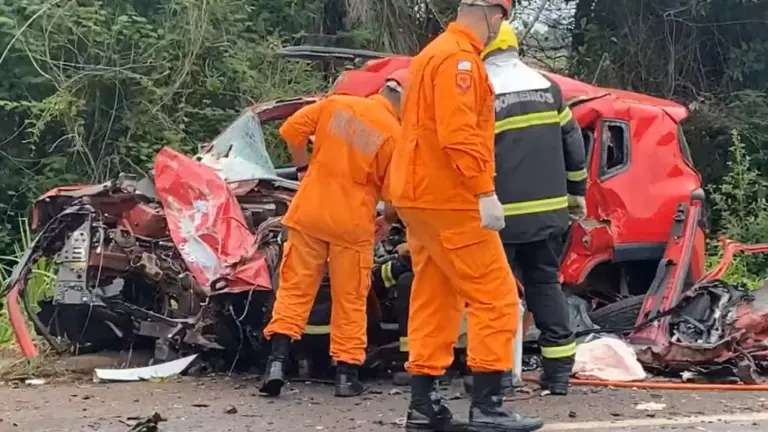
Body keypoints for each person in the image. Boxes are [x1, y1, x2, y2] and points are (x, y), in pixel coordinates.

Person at [387, 0, 544, 430]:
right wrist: (484, 191)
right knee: (496, 297)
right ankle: (488, 406)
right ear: (493, 14)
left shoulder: (431, 54)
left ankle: (425, 404)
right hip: (448, 197)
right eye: (502, 19)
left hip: (418, 197)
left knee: (435, 295)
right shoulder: (460, 60)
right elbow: (458, 134)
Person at [259, 70, 408, 398]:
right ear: (403, 103)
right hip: (352, 222)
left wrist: (303, 169)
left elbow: (291, 131)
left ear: (381, 91)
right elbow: (395, 195)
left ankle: (276, 364)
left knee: (294, 290)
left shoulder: (336, 104)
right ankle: (345, 375)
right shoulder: (395, 134)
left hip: (309, 211)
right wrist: (387, 220)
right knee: (350, 297)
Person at [481, 21, 588, 396]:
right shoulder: (550, 89)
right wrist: (577, 192)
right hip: (549, 214)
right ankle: (558, 374)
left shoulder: (483, 92)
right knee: (545, 285)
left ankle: (498, 376)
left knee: (495, 295)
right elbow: (573, 145)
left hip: (498, 216)